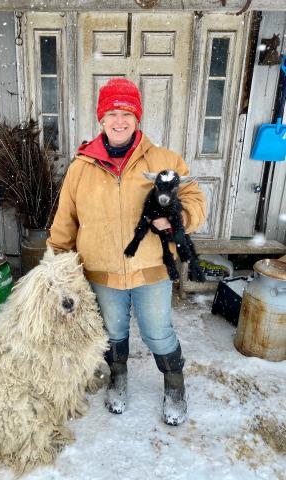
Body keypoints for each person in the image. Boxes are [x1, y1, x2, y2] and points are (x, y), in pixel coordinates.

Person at [47, 78, 206, 426]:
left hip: (151, 268)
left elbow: (194, 199)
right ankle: (118, 376)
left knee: (157, 331)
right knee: (112, 331)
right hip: (101, 271)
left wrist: (180, 217)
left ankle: (174, 384)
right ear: (101, 119)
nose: (119, 121)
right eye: (112, 113)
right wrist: (57, 260)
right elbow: (66, 220)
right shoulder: (81, 167)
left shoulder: (165, 159)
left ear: (137, 118)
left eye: (127, 113)